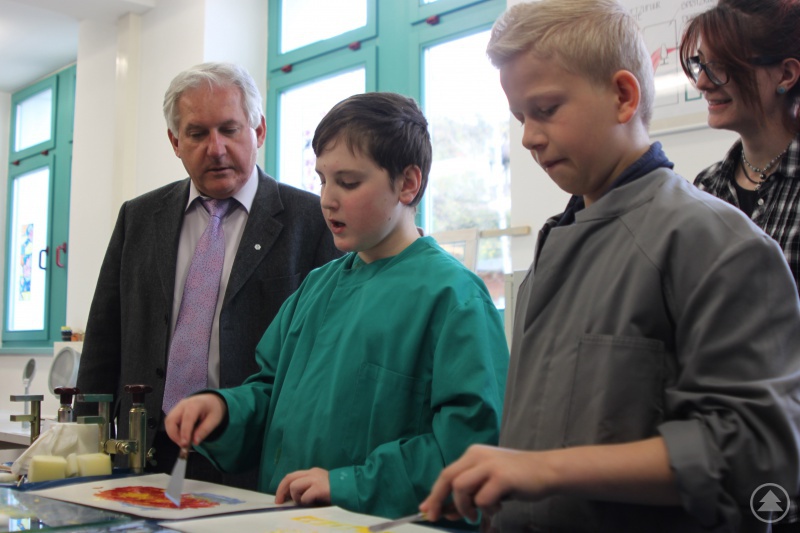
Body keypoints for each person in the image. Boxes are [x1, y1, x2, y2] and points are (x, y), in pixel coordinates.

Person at [419, 1, 800, 531]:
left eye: (546, 109)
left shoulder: (717, 242)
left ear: (623, 96)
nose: (528, 136)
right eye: (519, 117)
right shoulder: (554, 247)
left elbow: (753, 457)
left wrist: (545, 469)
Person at [165, 92, 508, 519]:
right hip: (290, 520)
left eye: (348, 183)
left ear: (407, 183)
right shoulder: (317, 287)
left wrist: (348, 485)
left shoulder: (454, 298)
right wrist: (223, 411)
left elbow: (467, 451)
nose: (327, 199)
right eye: (323, 179)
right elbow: (270, 393)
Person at [75, 62, 341, 489]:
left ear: (258, 131)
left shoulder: (312, 221)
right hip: (144, 449)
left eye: (230, 129)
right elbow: (104, 340)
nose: (215, 148)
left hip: (254, 457)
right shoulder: (138, 219)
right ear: (174, 142)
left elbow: (327, 358)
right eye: (197, 134)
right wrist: (84, 440)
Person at [679, 0, 800, 290]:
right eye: (701, 65)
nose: (703, 83)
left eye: (721, 66)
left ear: (785, 75)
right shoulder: (706, 187)